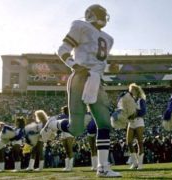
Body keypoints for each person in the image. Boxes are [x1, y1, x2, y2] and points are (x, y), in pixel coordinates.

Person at [55, 4, 120, 177]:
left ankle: (103, 168)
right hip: (80, 78)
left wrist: (111, 68)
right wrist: (74, 65)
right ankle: (52, 124)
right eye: (101, 14)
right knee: (76, 129)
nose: (104, 17)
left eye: (104, 14)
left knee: (104, 123)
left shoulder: (109, 38)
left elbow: (100, 63)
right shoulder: (80, 26)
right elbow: (62, 50)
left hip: (96, 81)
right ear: (91, 14)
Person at [125, 83, 147, 170]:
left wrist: (135, 113)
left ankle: (140, 164)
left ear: (136, 91)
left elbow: (143, 112)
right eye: (130, 90)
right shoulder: (129, 101)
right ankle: (135, 163)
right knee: (129, 142)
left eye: (132, 90)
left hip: (139, 122)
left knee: (140, 143)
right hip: (131, 122)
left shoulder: (141, 100)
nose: (130, 92)